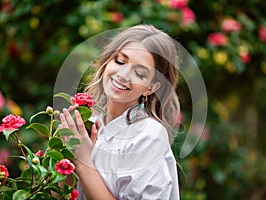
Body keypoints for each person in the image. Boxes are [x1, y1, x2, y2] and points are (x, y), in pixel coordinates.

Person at [58, 24, 181, 200]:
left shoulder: (148, 136)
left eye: (139, 73)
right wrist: (66, 156)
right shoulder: (91, 120)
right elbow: (56, 195)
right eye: (120, 61)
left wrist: (83, 163)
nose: (123, 75)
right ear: (108, 61)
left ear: (151, 88)